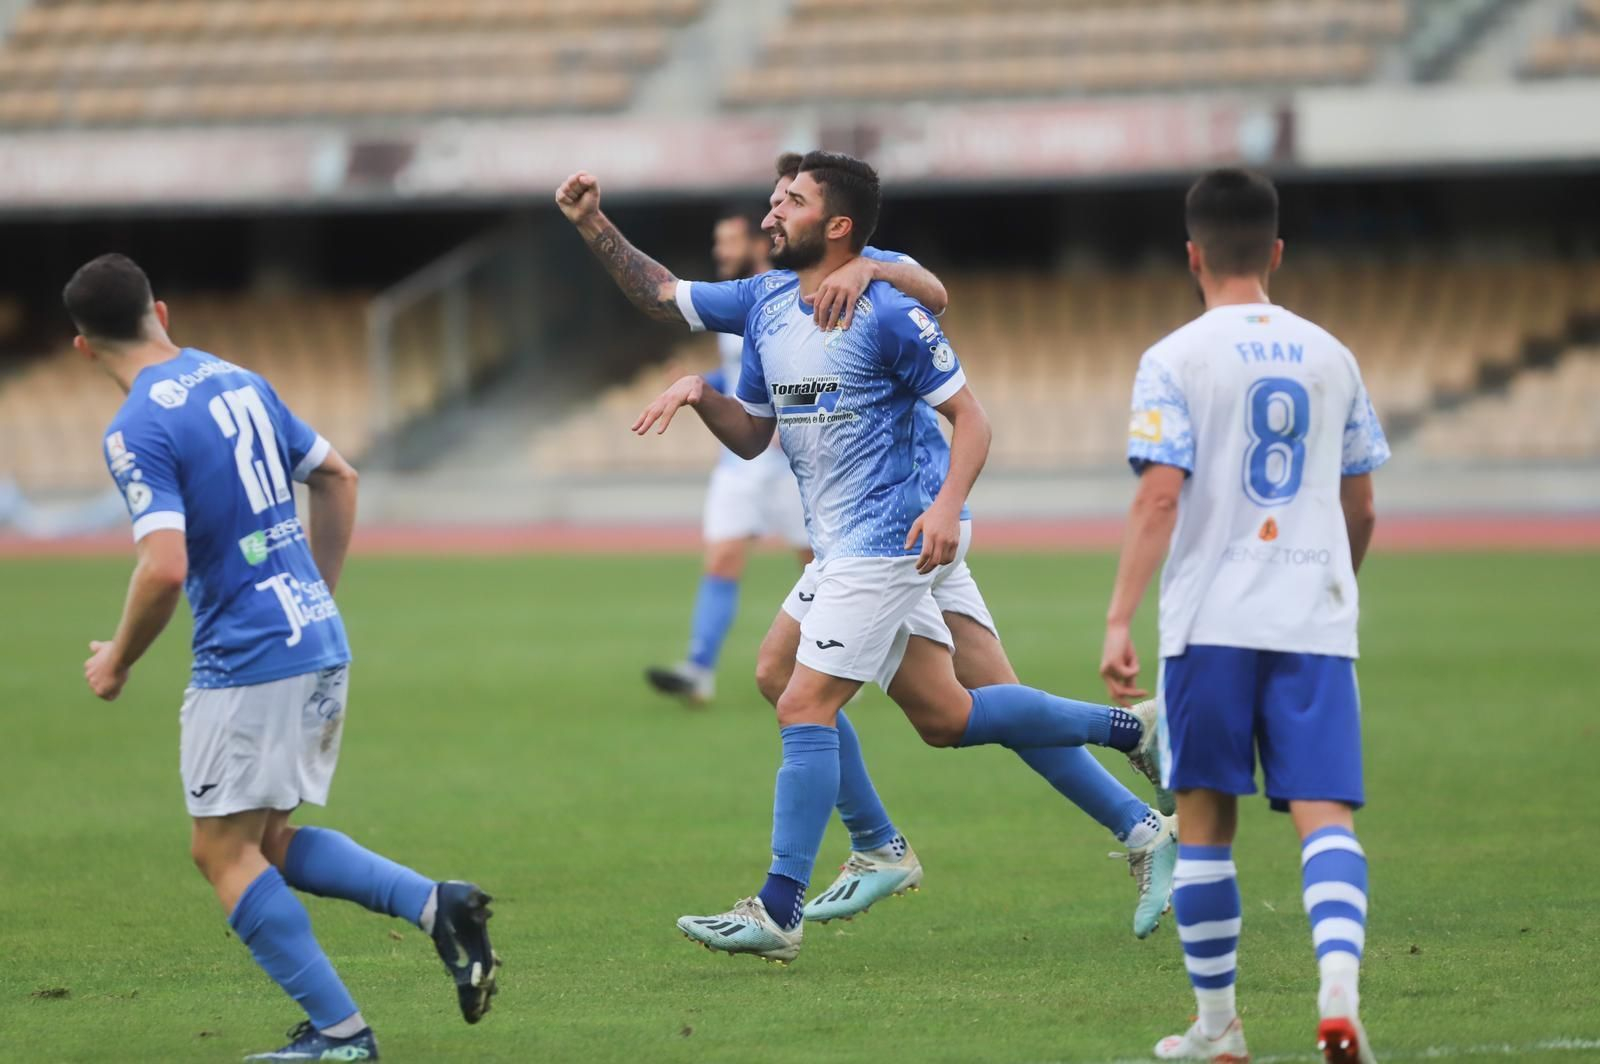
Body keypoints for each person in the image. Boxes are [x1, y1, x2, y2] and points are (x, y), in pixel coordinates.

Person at [559, 154, 1178, 939]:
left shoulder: (884, 299)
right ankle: (1136, 777)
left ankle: (783, 906)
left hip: (895, 537)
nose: (769, 215)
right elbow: (735, 409)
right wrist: (597, 233)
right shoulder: (764, 304)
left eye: (791, 202)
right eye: (773, 199)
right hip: (865, 539)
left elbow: (971, 408)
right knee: (947, 711)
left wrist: (950, 504)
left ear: (838, 225)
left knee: (802, 697)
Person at [69, 254, 500, 1062]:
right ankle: (438, 906)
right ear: (161, 311)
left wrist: (119, 660)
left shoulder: (135, 428)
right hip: (314, 635)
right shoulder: (238, 378)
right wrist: (315, 597)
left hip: (247, 655)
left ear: (84, 349)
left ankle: (342, 1037)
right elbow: (337, 476)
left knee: (219, 850)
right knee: (266, 841)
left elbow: (162, 566)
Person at [1099, 169, 1387, 1064]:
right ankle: (1337, 987)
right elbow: (1364, 508)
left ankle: (1219, 1027)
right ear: (1276, 253)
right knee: (1325, 817)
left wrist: (1119, 616)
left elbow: (1159, 496)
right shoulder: (1332, 354)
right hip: (1311, 620)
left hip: (1209, 623)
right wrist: (1328, 588)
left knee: (1206, 824)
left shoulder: (1175, 357)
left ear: (1192, 255)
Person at [643, 204, 813, 705]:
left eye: (728, 242)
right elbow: (746, 386)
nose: (719, 252)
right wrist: (698, 387)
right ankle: (699, 670)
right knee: (721, 559)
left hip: (795, 464)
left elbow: (817, 376)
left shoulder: (792, 298)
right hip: (742, 460)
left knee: (818, 568)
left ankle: (841, 660)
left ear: (759, 244)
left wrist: (792, 415)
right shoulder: (733, 306)